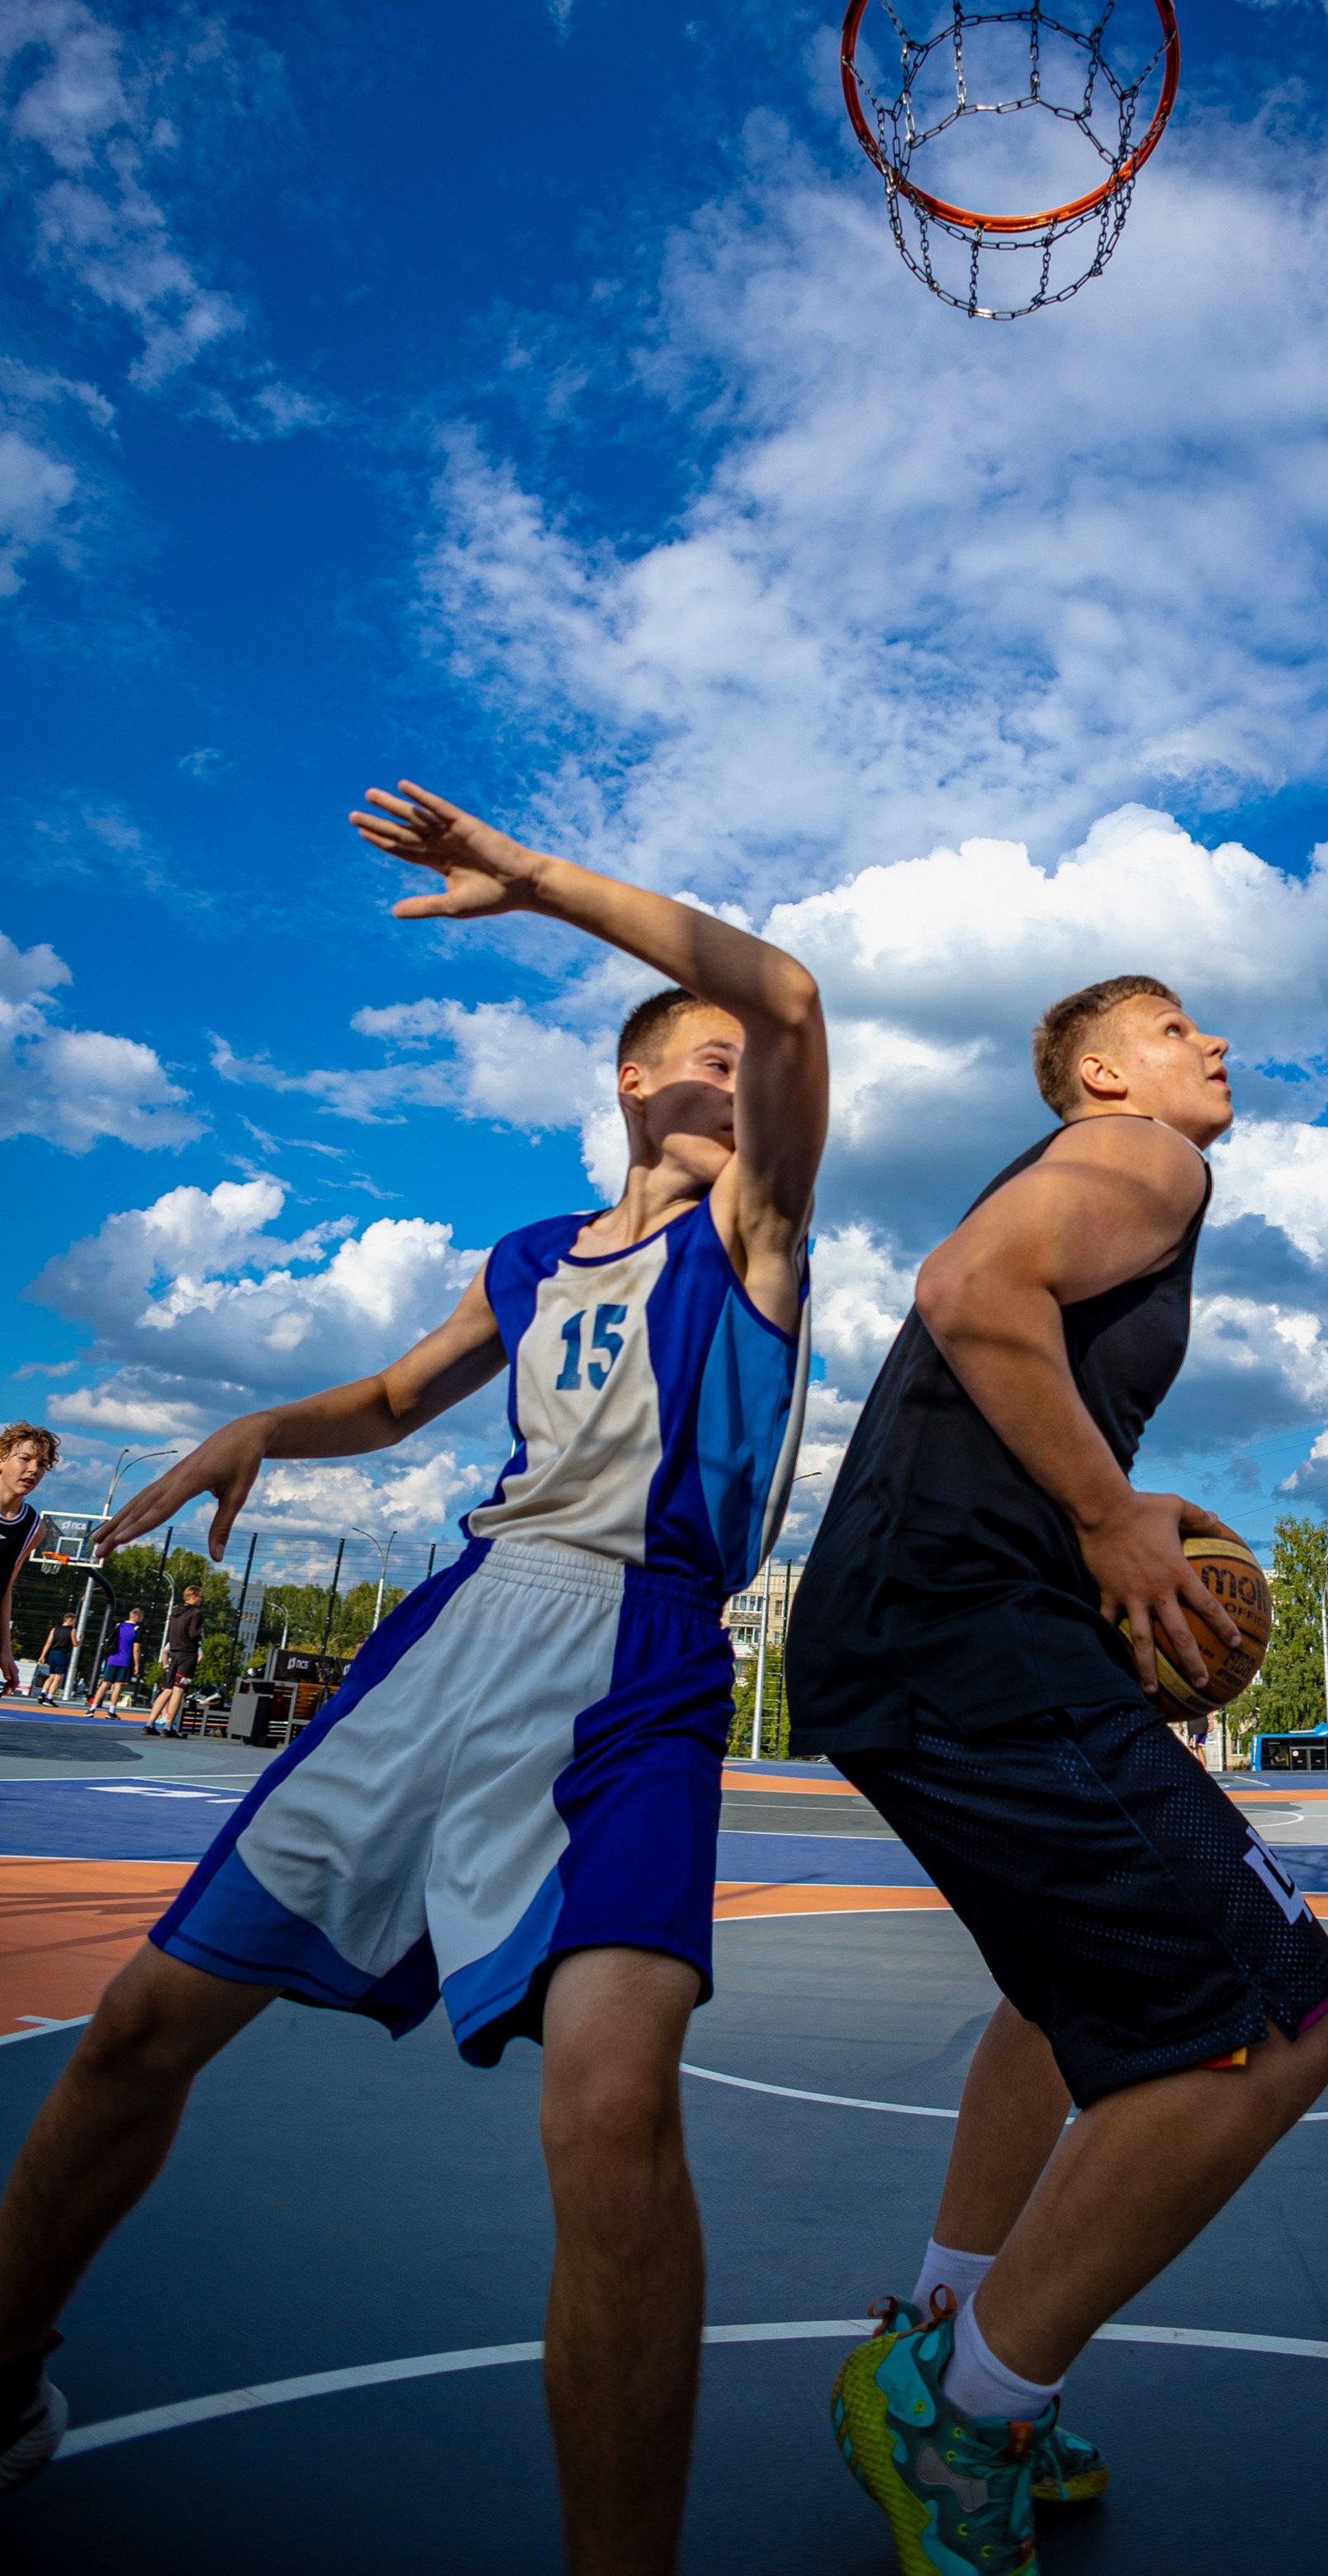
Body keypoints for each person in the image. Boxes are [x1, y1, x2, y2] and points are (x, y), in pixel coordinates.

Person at [0, 780, 828, 2567]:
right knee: (142, 2030)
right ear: (627, 1081)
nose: (737, 1074)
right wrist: (258, 1427)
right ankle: (1, 2375)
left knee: (611, 2108)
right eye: (696, 1055)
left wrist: (533, 881)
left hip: (642, 1660)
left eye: (736, 1057)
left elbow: (793, 1003)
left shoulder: (757, 1231)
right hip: (457, 1627)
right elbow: (387, 1404)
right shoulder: (529, 1262)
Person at [785, 975, 1328, 2575]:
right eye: (1176, 1029)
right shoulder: (1145, 1158)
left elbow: (988, 1343)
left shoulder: (1102, 1178)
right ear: (1101, 1076)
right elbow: (967, 1287)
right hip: (973, 1635)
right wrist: (1108, 1519)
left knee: (1055, 1997)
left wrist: (1110, 1508)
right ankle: (963, 2414)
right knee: (1275, 2027)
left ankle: (952, 2328)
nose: (1214, 1045)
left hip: (911, 1630)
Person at [0, 1424, 56, 1701]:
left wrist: (5, 1651)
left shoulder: (33, 1528)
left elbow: (4, 1589)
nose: (34, 1469)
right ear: (1, 1459)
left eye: (42, 1464)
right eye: (25, 1459)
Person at [145, 1586, 204, 1736]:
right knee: (179, 1690)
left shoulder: (175, 1612)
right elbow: (193, 1634)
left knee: (167, 1689)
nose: (201, 1599)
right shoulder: (195, 1613)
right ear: (194, 1597)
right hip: (187, 1654)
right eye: (200, 1596)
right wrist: (200, 1636)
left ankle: (149, 1724)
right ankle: (169, 1726)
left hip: (175, 1652)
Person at [85, 1612, 145, 1721]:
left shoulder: (119, 1626)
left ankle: (92, 1709)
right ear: (138, 1617)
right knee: (118, 1685)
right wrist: (137, 1665)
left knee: (105, 1684)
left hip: (112, 1659)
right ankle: (111, 1711)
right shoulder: (137, 1630)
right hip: (125, 1660)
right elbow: (136, 1649)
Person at [30, 1617, 78, 1707]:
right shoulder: (72, 1630)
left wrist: (42, 1656)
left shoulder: (55, 1629)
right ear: (70, 1620)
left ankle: (43, 1693)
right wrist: (80, 1640)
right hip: (62, 1654)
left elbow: (48, 1643)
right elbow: (75, 1644)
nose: (75, 1623)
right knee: (58, 1677)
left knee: (52, 1676)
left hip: (52, 1653)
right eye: (74, 1621)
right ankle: (50, 1697)